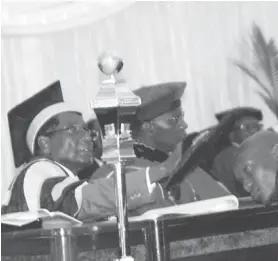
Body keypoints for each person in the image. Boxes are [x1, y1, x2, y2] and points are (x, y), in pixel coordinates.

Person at [2, 80, 229, 221]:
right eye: (73, 131)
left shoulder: (61, 176)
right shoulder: (38, 171)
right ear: (44, 143)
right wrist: (160, 171)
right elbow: (84, 200)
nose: (87, 138)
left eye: (86, 131)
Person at [209, 107, 263, 196]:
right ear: (231, 133)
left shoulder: (224, 154)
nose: (254, 131)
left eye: (257, 127)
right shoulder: (234, 156)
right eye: (247, 127)